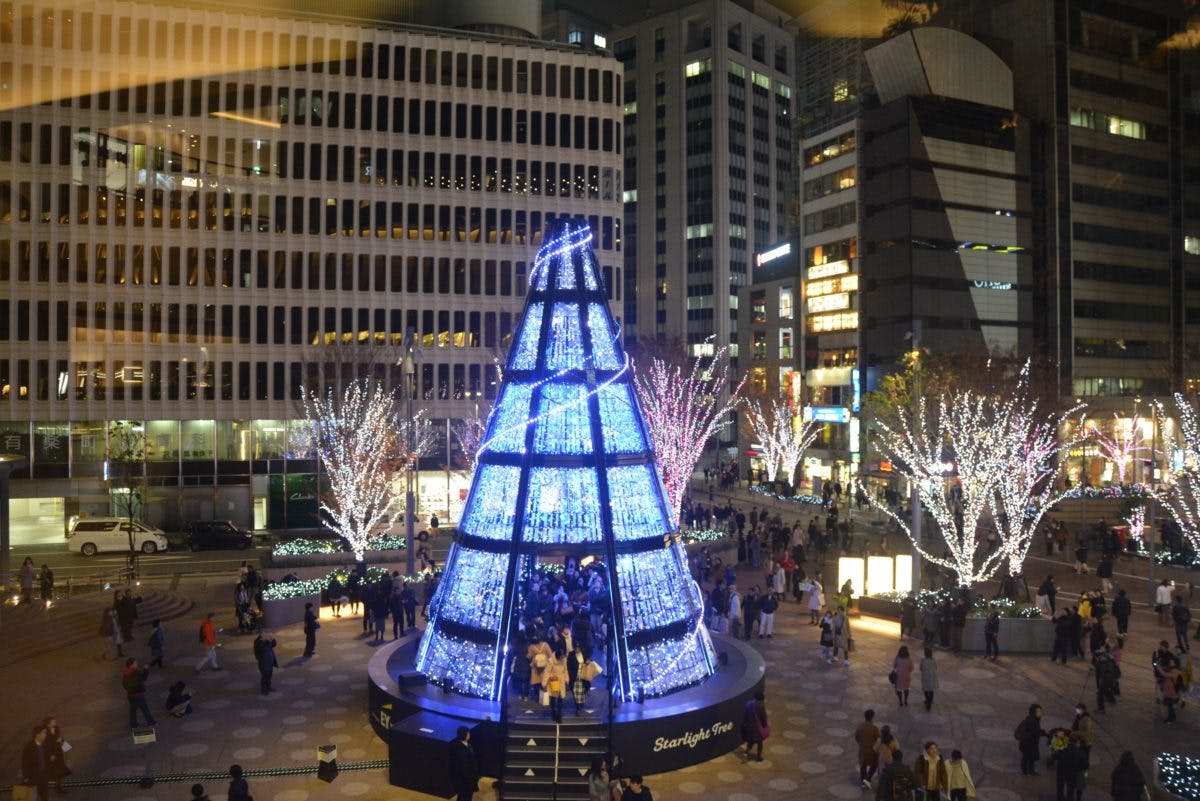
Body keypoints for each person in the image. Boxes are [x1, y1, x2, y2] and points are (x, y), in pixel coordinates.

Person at [122, 657, 156, 728]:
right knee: (144, 708)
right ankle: (151, 722)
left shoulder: (126, 673)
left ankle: (133, 724)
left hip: (130, 695)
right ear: (131, 665)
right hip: (138, 694)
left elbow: (124, 684)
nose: (136, 664)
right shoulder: (136, 672)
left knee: (133, 710)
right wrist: (146, 669)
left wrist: (129, 690)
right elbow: (144, 678)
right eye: (135, 663)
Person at [1052, 734, 1088, 801]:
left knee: (1060, 787)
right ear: (1077, 742)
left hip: (1061, 771)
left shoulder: (1062, 748)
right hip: (1072, 772)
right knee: (1070, 789)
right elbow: (1085, 764)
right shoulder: (1079, 751)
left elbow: (1054, 756)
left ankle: (1060, 798)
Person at [448, 726, 479, 801]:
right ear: (464, 735)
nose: (469, 735)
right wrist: (471, 781)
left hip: (467, 779)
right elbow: (464, 769)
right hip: (464, 781)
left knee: (463, 797)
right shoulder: (461, 751)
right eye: (468, 733)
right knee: (465, 797)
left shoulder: (465, 744)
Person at [20, 725, 51, 801]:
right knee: (33, 797)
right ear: (37, 734)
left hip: (43, 776)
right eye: (44, 733)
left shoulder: (45, 745)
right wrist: (26, 777)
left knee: (45, 796)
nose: (45, 735)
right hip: (33, 777)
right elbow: (25, 763)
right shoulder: (29, 747)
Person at [1015, 704, 1047, 776]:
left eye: (1040, 711)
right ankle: (1026, 772)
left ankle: (1028, 771)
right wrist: (1044, 733)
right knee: (1027, 758)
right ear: (1034, 712)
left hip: (1028, 744)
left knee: (1029, 758)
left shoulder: (1033, 719)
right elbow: (1035, 732)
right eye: (1038, 712)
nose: (1040, 713)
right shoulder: (1032, 721)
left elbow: (1036, 731)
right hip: (1028, 744)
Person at [42, 717, 69, 795]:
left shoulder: (56, 728)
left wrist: (63, 743)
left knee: (58, 772)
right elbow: (46, 744)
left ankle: (58, 788)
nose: (55, 722)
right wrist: (50, 754)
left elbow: (58, 737)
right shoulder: (44, 731)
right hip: (51, 754)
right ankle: (50, 788)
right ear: (48, 724)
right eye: (53, 722)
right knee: (52, 772)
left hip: (58, 753)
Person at [854, 709, 880, 789]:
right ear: (872, 717)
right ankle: (868, 778)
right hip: (871, 750)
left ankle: (863, 782)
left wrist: (861, 744)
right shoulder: (875, 728)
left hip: (862, 750)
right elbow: (877, 739)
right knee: (874, 765)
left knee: (863, 766)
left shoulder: (860, 727)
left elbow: (856, 737)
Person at [741, 691, 769, 762]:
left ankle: (746, 753)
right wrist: (764, 725)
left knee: (750, 742)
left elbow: (745, 715)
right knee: (760, 743)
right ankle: (758, 757)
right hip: (757, 729)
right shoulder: (761, 706)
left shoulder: (748, 704)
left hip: (750, 727)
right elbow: (763, 718)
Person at [545, 646, 568, 723]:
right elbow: (547, 672)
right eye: (561, 657)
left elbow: (565, 670)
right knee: (553, 699)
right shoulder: (551, 661)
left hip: (561, 680)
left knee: (561, 698)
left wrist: (567, 679)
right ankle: (553, 712)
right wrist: (544, 683)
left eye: (563, 657)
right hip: (553, 680)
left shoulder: (564, 660)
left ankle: (559, 715)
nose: (563, 658)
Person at [253, 628, 279, 694]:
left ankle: (269, 687)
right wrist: (265, 641)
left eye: (266, 633)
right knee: (265, 676)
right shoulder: (258, 642)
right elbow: (261, 648)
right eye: (264, 633)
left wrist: (273, 639)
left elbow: (274, 644)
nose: (266, 634)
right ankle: (264, 690)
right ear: (261, 635)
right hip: (263, 663)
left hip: (270, 662)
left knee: (269, 675)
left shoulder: (267, 641)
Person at [920, 646, 939, 711]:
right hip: (931, 677)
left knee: (925, 689)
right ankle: (930, 702)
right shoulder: (933, 660)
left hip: (925, 677)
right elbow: (936, 667)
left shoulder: (923, 660)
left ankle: (927, 700)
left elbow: (921, 668)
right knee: (931, 689)